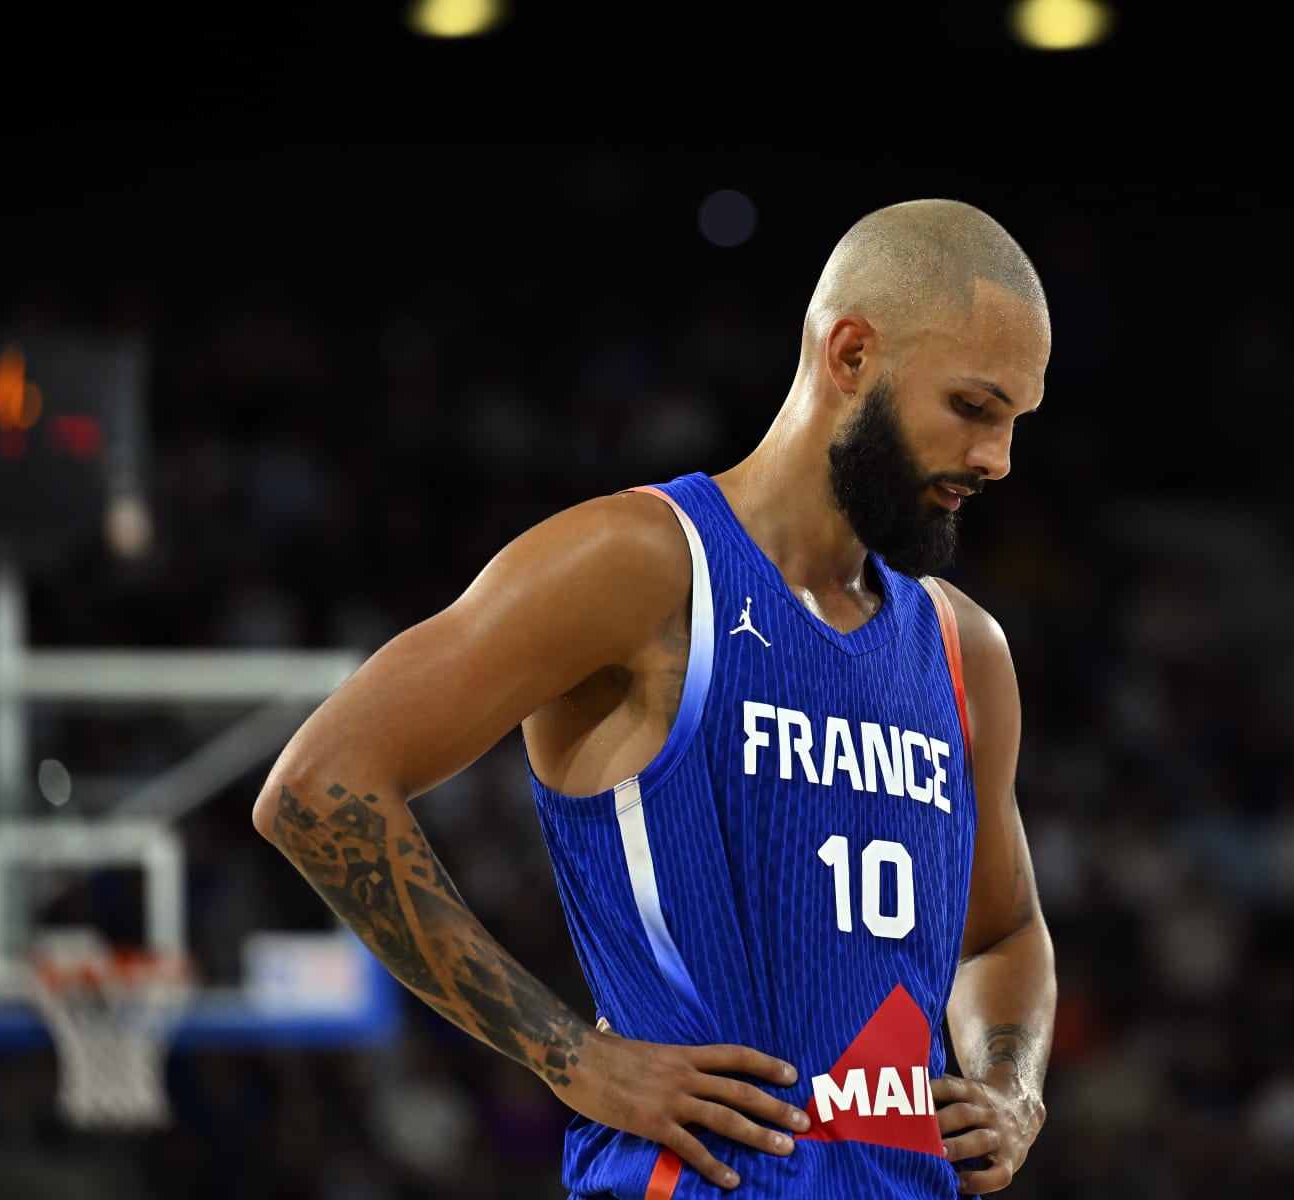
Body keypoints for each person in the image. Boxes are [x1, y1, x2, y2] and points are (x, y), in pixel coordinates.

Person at [252, 198, 1057, 1198]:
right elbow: (320, 785)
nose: (999, 459)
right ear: (851, 355)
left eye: (1016, 422)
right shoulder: (643, 565)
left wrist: (1012, 1084)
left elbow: (1005, 931)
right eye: (975, 409)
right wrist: (570, 1057)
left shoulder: (963, 648)